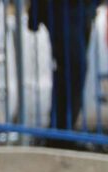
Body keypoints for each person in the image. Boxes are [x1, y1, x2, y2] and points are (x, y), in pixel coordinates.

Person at [28, 0, 102, 148]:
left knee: (73, 72)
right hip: (61, 9)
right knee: (74, 68)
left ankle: (61, 133)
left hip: (82, 9)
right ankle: (60, 134)